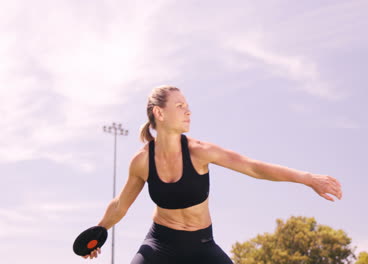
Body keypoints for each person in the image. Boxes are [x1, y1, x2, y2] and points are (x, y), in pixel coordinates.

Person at [82, 85, 343, 263]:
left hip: (201, 246)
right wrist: (99, 230)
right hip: (160, 245)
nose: (188, 111)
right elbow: (121, 204)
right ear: (159, 113)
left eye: (188, 105)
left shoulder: (200, 152)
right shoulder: (141, 161)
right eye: (180, 105)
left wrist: (308, 178)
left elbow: (253, 167)